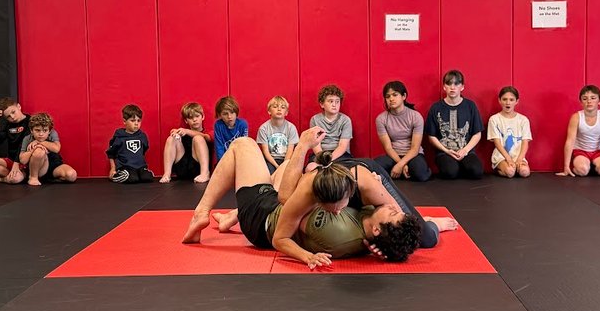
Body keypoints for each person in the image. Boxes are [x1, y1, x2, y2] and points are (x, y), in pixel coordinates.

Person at [180, 129, 442, 269]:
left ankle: (201, 212)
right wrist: (385, 245)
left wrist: (303, 146)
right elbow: (385, 213)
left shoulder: (326, 212)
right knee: (286, 167)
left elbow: (283, 215)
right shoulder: (368, 228)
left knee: (243, 145)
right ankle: (232, 215)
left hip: (261, 215)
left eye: (393, 213)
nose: (393, 206)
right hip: (285, 208)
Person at [424, 69, 485, 180]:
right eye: (449, 84)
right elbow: (431, 136)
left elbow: (477, 133)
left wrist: (465, 150)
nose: (452, 87)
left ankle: (462, 166)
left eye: (456, 84)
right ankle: (455, 167)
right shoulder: (436, 108)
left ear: (462, 87)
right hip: (444, 152)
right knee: (450, 173)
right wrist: (446, 150)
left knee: (476, 172)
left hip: (466, 150)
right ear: (444, 87)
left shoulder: (470, 106)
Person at [374, 80, 429, 181]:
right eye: (387, 96)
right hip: (393, 155)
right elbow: (388, 147)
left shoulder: (415, 116)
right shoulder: (381, 119)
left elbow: (415, 148)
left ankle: (402, 171)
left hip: (413, 155)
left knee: (420, 174)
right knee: (373, 167)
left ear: (404, 96)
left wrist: (400, 165)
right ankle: (403, 171)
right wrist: (400, 164)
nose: (391, 99)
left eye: (395, 95)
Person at [561, 85, 600, 177]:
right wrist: (566, 166)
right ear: (581, 102)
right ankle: (584, 166)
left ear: (599, 101)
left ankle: (594, 166)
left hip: (598, 151)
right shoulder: (576, 117)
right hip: (581, 151)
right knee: (582, 170)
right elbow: (570, 141)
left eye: (593, 98)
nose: (589, 101)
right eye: (585, 99)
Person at [17, 112, 78, 185]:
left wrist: (39, 142)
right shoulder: (27, 138)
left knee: (71, 175)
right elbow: (23, 160)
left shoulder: (52, 134)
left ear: (49, 131)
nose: (41, 134)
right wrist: (34, 149)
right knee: (39, 151)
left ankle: (49, 179)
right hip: (37, 167)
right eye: (37, 130)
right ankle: (33, 178)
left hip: (54, 166)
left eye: (45, 130)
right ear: (31, 130)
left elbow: (56, 149)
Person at [160, 102, 211, 183]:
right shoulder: (183, 132)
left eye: (197, 116)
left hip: (198, 169)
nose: (194, 120)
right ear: (186, 121)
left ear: (203, 117)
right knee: (171, 138)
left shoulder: (207, 132)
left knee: (198, 138)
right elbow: (175, 137)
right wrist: (175, 133)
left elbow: (206, 137)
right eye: (191, 118)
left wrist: (187, 131)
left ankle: (205, 173)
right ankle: (167, 174)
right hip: (183, 168)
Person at [487, 85, 532, 178]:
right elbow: (497, 143)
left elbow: (525, 142)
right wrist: (508, 159)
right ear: (499, 100)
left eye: (511, 100)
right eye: (504, 99)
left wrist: (520, 159)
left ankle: (515, 167)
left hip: (518, 155)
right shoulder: (494, 119)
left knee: (525, 172)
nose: (508, 103)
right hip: (501, 156)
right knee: (510, 172)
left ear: (517, 101)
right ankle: (499, 168)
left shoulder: (523, 120)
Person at [0, 97, 28, 183]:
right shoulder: (8, 125)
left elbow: (23, 145)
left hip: (24, 162)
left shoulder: (30, 121)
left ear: (19, 106)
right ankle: (12, 176)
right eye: (8, 116)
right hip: (11, 160)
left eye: (13, 112)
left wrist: (16, 163)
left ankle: (0, 178)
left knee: (16, 179)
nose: (12, 117)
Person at [108, 104, 154, 184]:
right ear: (124, 121)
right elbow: (111, 154)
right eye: (132, 121)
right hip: (125, 167)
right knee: (132, 178)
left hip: (140, 167)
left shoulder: (142, 136)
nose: (136, 123)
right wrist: (113, 168)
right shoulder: (119, 136)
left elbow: (143, 150)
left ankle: (140, 173)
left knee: (147, 177)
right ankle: (115, 176)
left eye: (138, 121)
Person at [308, 84, 353, 165]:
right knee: (310, 168)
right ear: (322, 104)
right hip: (321, 154)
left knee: (343, 169)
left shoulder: (345, 120)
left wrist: (330, 159)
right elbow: (316, 145)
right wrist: (323, 159)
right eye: (330, 101)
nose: (334, 105)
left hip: (341, 155)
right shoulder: (315, 119)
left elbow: (343, 146)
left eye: (337, 101)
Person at [256, 95, 298, 173]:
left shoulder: (291, 128)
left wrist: (283, 166)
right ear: (269, 111)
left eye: (283, 107)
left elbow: (290, 150)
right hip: (271, 160)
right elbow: (266, 152)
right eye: (275, 107)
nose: (279, 109)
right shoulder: (263, 128)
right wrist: (277, 166)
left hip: (287, 159)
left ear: (286, 113)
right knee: (268, 172)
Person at [212, 96, 249, 161]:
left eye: (232, 112)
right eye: (225, 114)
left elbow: (244, 145)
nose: (229, 116)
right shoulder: (218, 125)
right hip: (225, 159)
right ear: (220, 115)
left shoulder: (243, 124)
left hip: (240, 158)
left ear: (236, 112)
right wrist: (222, 162)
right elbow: (219, 146)